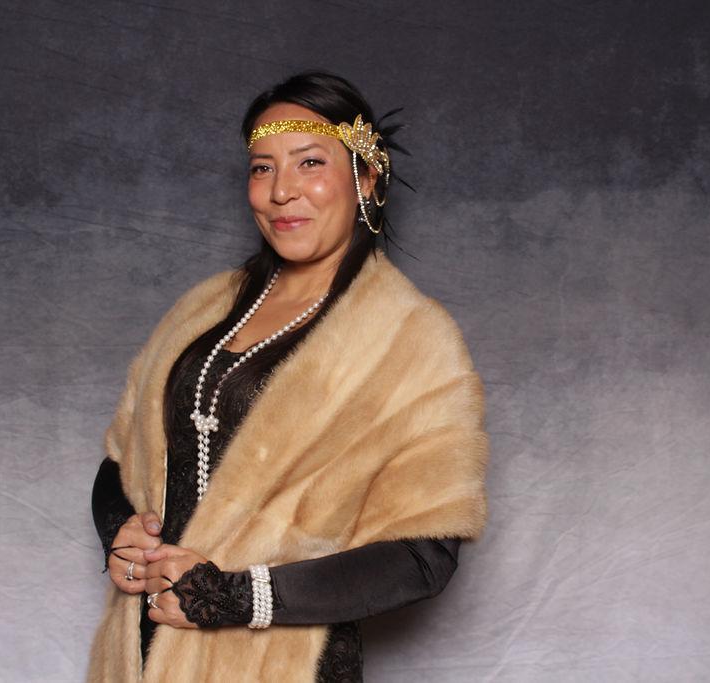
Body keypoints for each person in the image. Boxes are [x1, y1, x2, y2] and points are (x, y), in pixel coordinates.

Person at [87, 71, 489, 683]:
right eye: (262, 168)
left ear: (366, 177)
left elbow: (423, 556)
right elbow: (121, 462)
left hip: (283, 663)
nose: (281, 191)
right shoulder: (203, 310)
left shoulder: (411, 337)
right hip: (141, 652)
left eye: (309, 163)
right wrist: (120, 533)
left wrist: (236, 597)